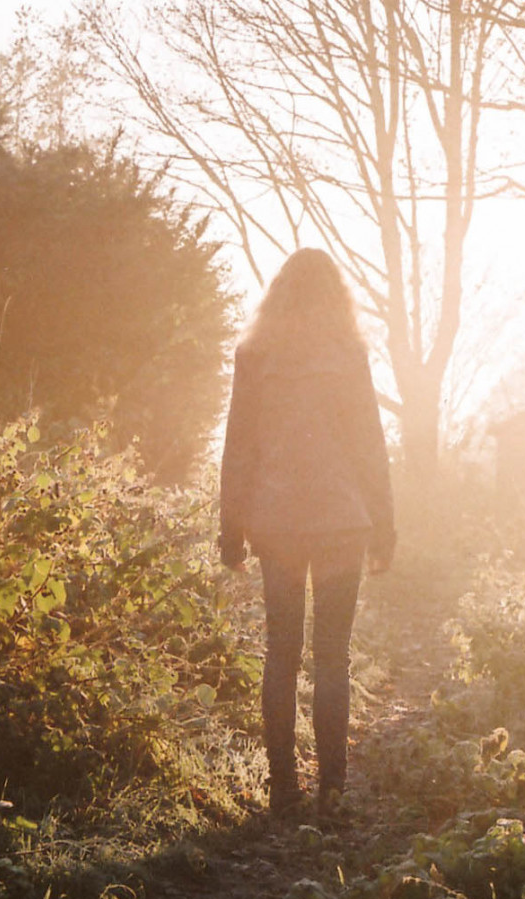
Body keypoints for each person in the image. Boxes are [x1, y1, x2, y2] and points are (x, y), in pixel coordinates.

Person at [218, 248, 395, 818]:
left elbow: (238, 446)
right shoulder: (349, 354)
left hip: (278, 523)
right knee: (333, 656)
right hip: (342, 521)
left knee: (282, 652)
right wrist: (385, 527)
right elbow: (370, 445)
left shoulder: (254, 355)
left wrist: (230, 529)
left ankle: (283, 789)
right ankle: (334, 787)